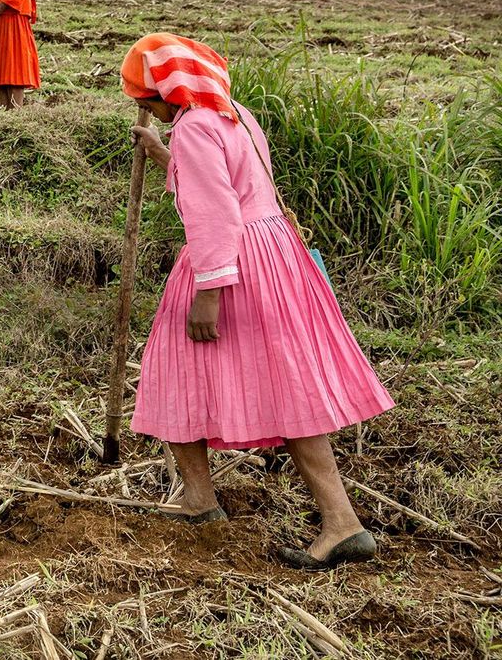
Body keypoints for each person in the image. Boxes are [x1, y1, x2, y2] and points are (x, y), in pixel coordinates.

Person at [121, 33, 393, 569]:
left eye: (142, 94)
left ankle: (207, 503)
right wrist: (164, 154)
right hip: (272, 256)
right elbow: (228, 185)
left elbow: (215, 213)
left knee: (174, 373)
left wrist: (208, 293)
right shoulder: (231, 114)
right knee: (285, 384)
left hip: (230, 265)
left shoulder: (195, 129)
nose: (139, 104)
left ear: (167, 92)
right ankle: (337, 520)